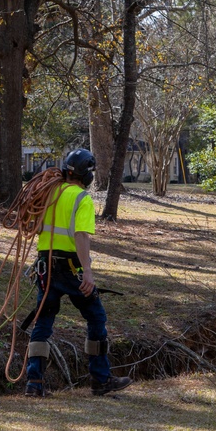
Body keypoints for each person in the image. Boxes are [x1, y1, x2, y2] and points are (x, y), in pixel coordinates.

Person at [25, 148, 132, 397]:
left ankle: (34, 383)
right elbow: (81, 236)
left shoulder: (48, 192)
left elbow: (36, 226)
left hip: (45, 265)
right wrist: (87, 273)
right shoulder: (81, 198)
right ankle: (100, 379)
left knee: (43, 323)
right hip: (70, 266)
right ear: (86, 175)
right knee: (96, 317)